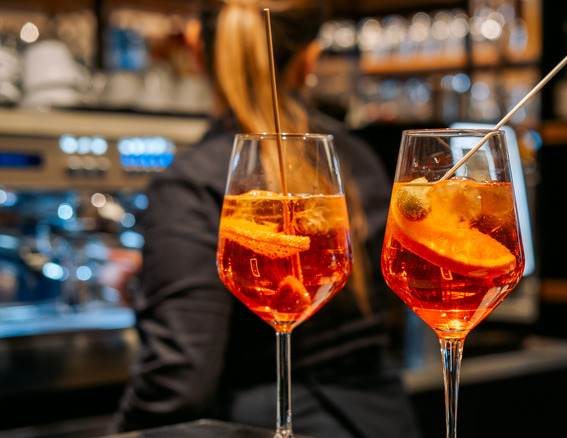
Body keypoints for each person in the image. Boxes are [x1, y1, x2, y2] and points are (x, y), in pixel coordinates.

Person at [108, 1, 421, 437]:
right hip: (383, 421)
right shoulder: (358, 157)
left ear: (197, 51)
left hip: (255, 423)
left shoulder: (192, 182)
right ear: (310, 59)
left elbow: (177, 382)